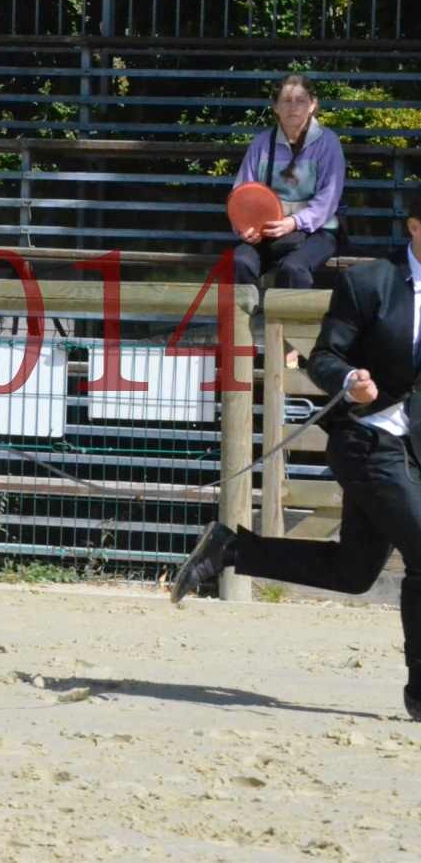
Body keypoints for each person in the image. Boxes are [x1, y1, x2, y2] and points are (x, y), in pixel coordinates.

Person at [172, 191, 421, 722]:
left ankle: (231, 550)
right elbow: (327, 356)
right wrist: (349, 379)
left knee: (355, 572)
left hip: (414, 449)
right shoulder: (371, 282)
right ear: (416, 227)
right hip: (367, 441)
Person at [229, 74, 347, 289]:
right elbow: (241, 193)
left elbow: (327, 201)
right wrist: (246, 228)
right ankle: (246, 322)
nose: (294, 107)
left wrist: (293, 222)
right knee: (239, 262)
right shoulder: (261, 143)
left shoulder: (328, 143)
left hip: (317, 231)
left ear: (312, 105)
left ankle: (292, 323)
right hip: (267, 231)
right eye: (287, 101)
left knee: (294, 269)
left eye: (301, 100)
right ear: (275, 107)